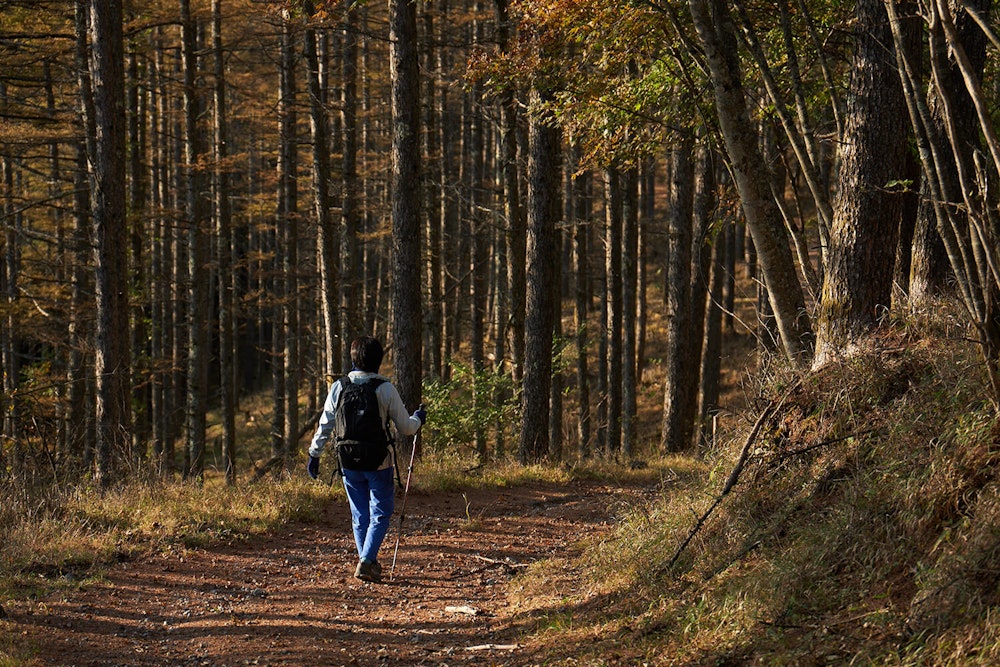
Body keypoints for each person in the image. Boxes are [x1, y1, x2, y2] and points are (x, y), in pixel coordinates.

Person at [307, 336, 426, 583]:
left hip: (348, 461)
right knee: (381, 511)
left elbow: (325, 424)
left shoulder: (339, 387)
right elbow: (406, 428)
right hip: (379, 461)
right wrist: (418, 419)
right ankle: (367, 561)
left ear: (353, 359)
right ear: (378, 361)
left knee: (359, 514)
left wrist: (314, 454)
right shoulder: (385, 388)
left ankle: (366, 560)